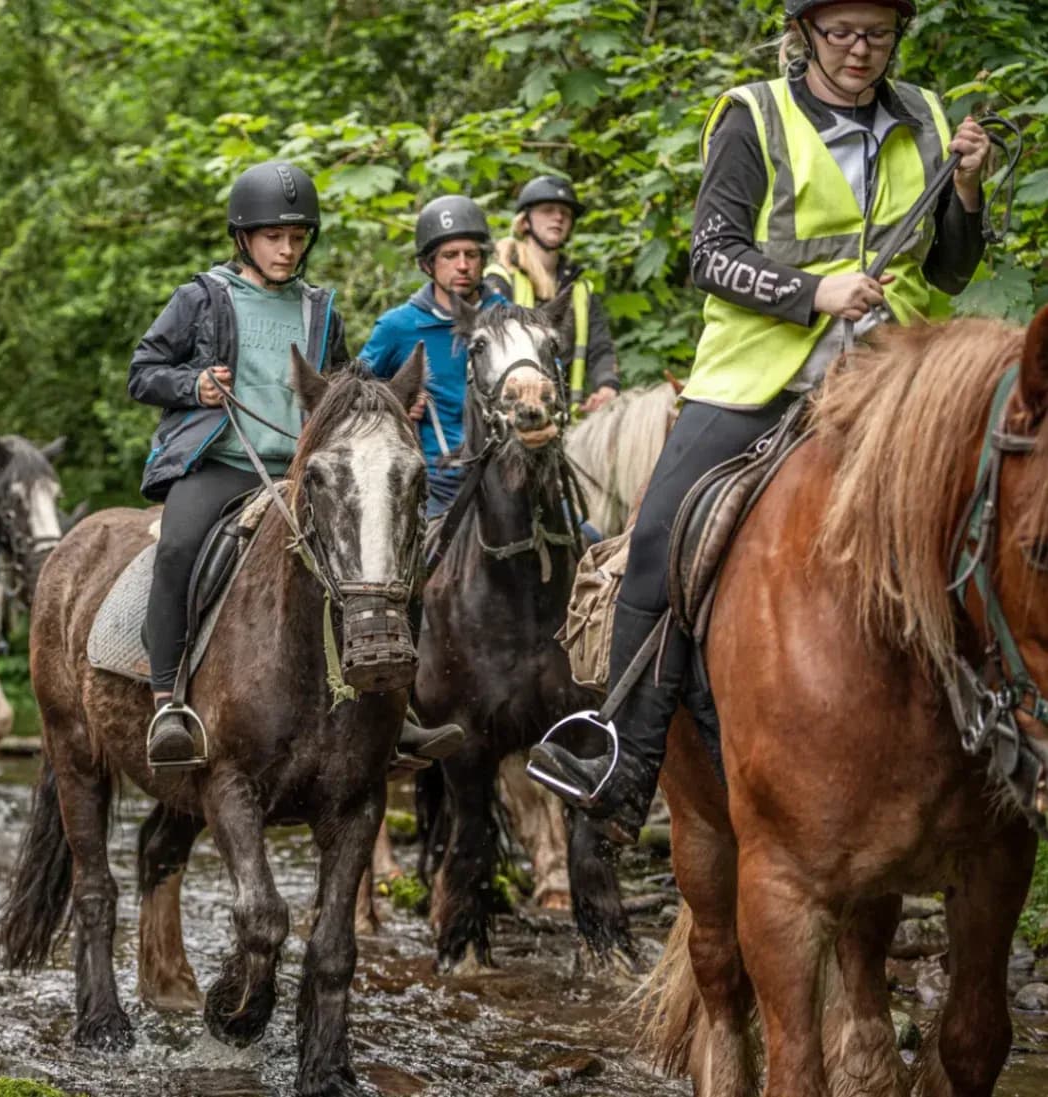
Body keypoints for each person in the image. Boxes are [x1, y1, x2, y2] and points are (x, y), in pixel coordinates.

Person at [528, 0, 991, 841]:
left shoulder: (924, 115)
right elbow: (710, 254)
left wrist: (964, 189)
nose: (860, 51)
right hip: (761, 376)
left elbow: (951, 271)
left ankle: (1002, 748)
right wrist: (813, 291)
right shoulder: (753, 116)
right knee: (660, 535)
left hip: (896, 380)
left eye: (878, 34)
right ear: (805, 34)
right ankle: (624, 761)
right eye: (841, 33)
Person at [130, 161, 462, 770]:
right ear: (243, 238)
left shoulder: (320, 310)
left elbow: (341, 389)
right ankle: (168, 702)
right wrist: (193, 385)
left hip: (305, 471)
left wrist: (390, 403)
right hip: (223, 464)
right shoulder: (201, 298)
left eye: (296, 237)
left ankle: (396, 711)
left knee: (393, 554)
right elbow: (142, 371)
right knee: (177, 548)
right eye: (273, 237)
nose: (287, 249)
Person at [359, 195, 511, 517]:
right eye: (450, 255)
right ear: (427, 264)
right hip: (434, 484)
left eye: (471, 254)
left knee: (585, 534)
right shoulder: (399, 327)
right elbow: (354, 396)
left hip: (508, 474)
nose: (463, 265)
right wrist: (395, 400)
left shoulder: (509, 319)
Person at [486, 175, 621, 413]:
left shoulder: (579, 289)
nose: (558, 217)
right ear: (525, 222)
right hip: (511, 414)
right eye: (548, 210)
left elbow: (600, 347)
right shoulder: (501, 279)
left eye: (565, 213)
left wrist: (607, 385)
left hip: (566, 416)